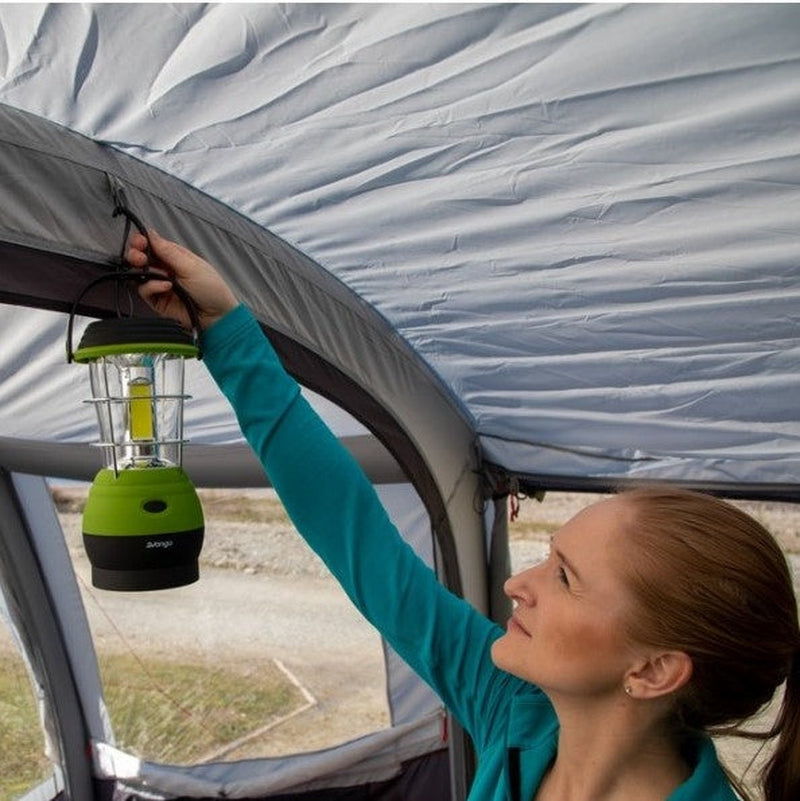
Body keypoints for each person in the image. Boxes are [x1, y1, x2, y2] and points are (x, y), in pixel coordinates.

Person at [127, 230, 800, 801]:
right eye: (548, 558)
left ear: (653, 671)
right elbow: (356, 534)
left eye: (566, 578)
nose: (517, 584)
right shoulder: (517, 711)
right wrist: (225, 327)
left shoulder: (514, 705)